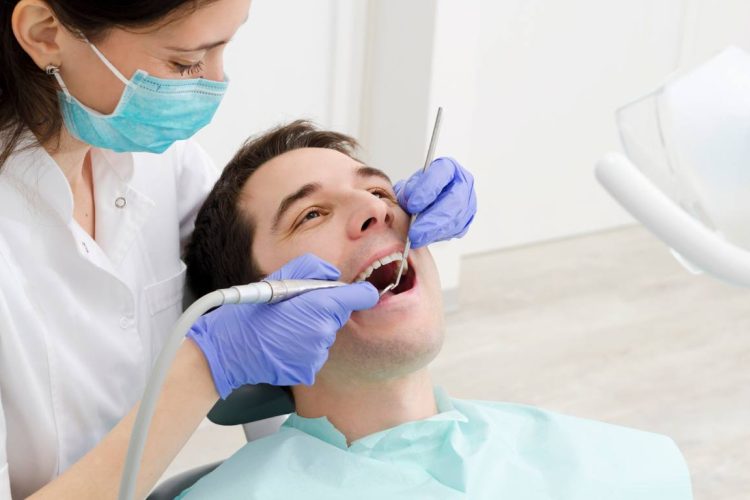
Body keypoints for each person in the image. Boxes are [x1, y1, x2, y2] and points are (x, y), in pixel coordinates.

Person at [0, 2, 477, 498]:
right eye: (186, 62)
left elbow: (239, 249)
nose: (215, 82)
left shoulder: (162, 162)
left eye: (379, 192)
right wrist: (210, 365)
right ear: (46, 33)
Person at [178, 121, 692, 499]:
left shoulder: (632, 469)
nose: (376, 210)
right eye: (311, 214)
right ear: (252, 301)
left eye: (379, 191)